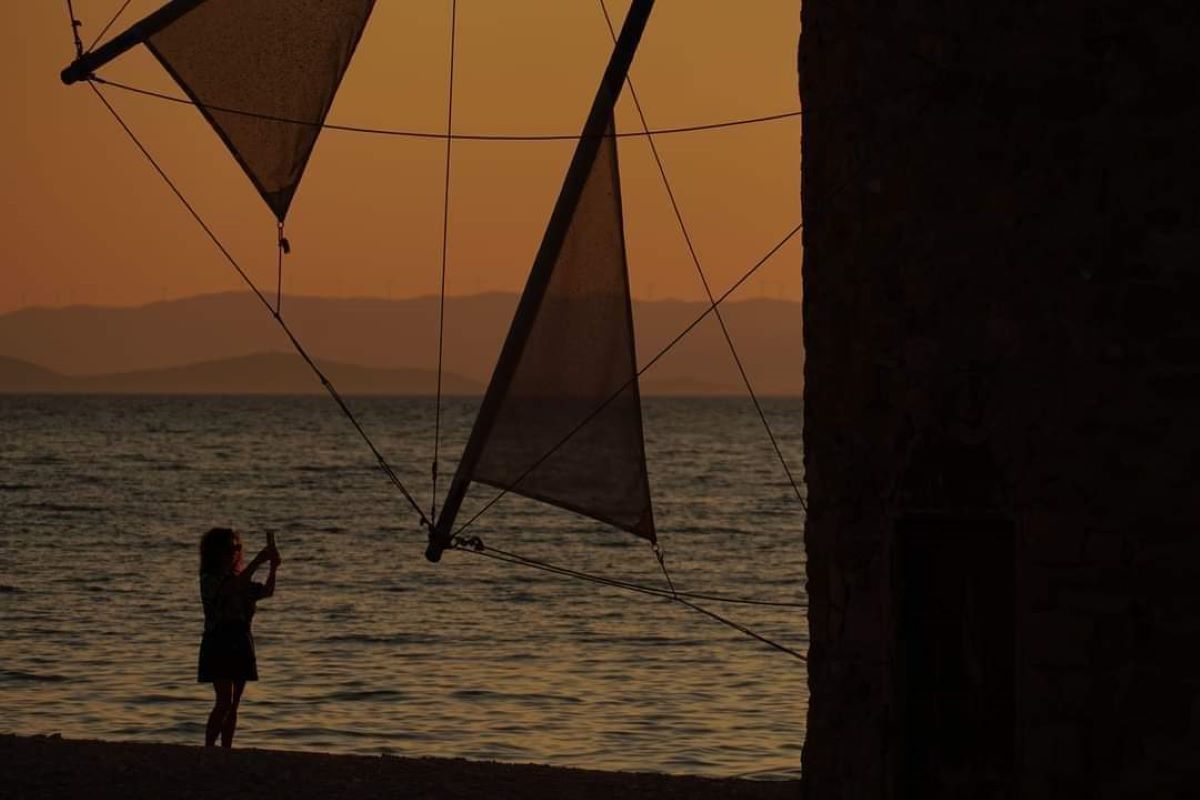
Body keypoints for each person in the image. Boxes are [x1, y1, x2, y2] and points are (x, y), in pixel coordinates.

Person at [197, 527, 281, 748]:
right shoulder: (209, 579)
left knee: (234, 703)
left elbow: (266, 591)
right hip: (219, 640)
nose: (234, 553)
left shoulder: (237, 578)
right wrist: (259, 561)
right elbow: (230, 589)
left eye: (237, 548)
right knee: (224, 700)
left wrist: (273, 567)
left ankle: (226, 748)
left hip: (241, 639)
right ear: (216, 552)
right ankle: (209, 747)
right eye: (229, 548)